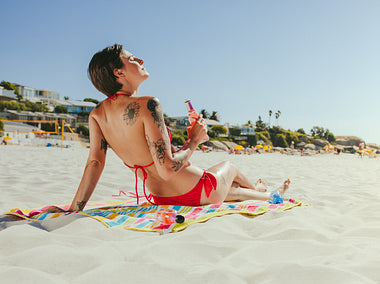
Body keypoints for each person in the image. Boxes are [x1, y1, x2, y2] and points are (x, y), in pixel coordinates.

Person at [44, 44, 289, 213]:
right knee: (230, 167)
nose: (140, 60)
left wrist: (74, 208)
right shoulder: (148, 104)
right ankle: (261, 190)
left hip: (164, 197)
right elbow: (168, 168)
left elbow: (95, 164)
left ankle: (263, 193)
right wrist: (194, 140)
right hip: (197, 189)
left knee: (232, 190)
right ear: (119, 72)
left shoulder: (97, 114)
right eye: (132, 59)